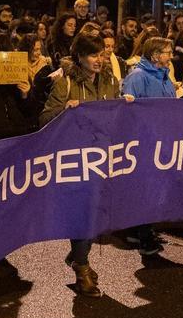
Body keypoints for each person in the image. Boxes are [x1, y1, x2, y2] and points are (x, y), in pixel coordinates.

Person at [40, 34, 133, 297]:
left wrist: (126, 105)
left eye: (102, 55)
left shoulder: (112, 81)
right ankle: (82, 268)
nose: (99, 60)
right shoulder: (65, 83)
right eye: (93, 55)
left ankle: (77, 255)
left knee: (101, 212)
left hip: (104, 158)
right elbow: (44, 118)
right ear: (80, 57)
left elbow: (116, 117)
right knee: (85, 212)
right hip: (76, 159)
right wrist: (65, 111)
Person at [120, 37, 179, 255]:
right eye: (167, 52)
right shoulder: (137, 77)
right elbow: (128, 111)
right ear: (155, 55)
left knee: (156, 188)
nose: (170, 56)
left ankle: (140, 230)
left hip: (162, 139)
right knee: (147, 189)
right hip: (145, 141)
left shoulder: (164, 76)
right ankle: (144, 236)